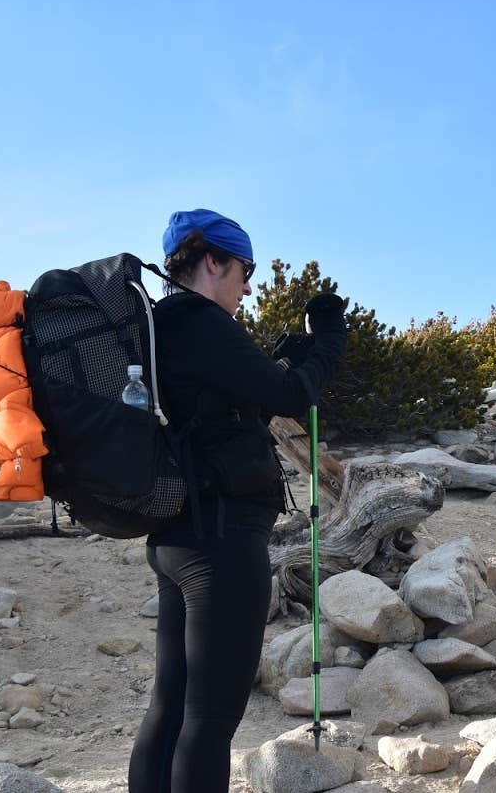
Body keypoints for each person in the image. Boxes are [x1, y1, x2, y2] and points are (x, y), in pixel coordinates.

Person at [128, 209, 347, 793]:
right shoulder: (200, 322)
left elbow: (237, 398)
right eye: (244, 268)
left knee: (170, 708)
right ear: (211, 261)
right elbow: (289, 394)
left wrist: (290, 357)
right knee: (210, 719)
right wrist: (328, 344)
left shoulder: (161, 324)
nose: (248, 285)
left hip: (176, 537)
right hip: (219, 541)